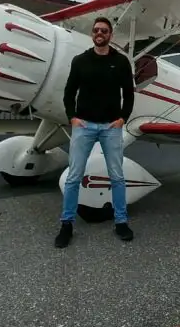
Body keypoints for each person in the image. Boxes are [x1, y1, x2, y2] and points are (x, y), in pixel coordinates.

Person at [55, 16, 136, 248]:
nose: (100, 33)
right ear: (93, 34)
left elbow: (129, 94)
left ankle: (121, 221)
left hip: (111, 127)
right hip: (85, 126)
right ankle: (66, 224)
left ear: (110, 35)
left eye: (104, 30)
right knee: (73, 177)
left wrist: (122, 119)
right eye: (96, 30)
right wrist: (73, 117)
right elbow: (69, 92)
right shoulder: (80, 61)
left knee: (117, 177)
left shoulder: (120, 62)